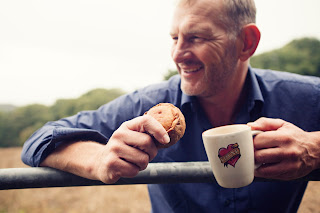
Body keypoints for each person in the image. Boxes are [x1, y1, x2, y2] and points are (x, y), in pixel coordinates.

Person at [22, 0, 320, 212]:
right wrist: (98, 159)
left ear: (246, 42)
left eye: (196, 38)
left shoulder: (304, 97)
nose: (177, 54)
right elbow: (39, 139)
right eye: (175, 38)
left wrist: (315, 148)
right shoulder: (147, 106)